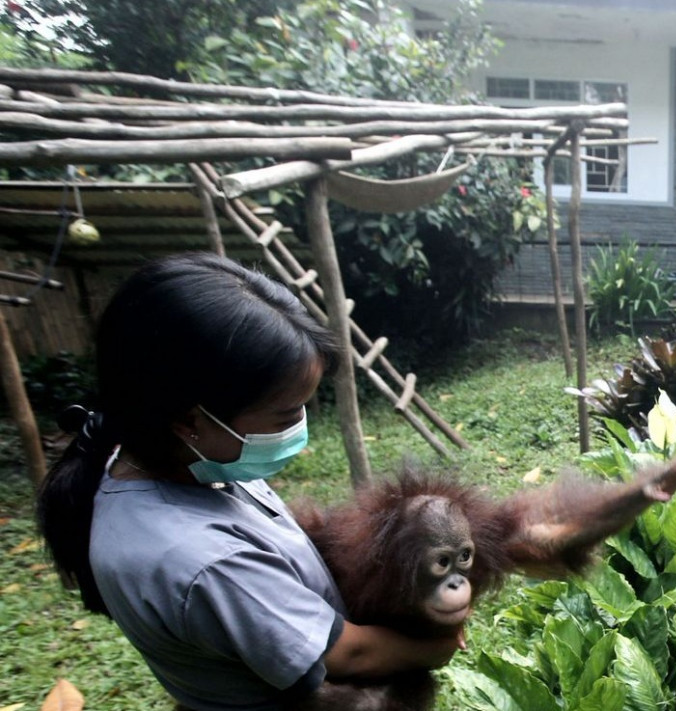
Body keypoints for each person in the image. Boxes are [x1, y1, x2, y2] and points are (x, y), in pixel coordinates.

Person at [35, 253, 462, 710]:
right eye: (287, 413)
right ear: (190, 420)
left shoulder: (176, 460)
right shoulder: (200, 560)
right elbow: (345, 655)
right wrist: (435, 647)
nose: (300, 424)